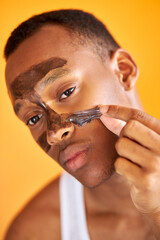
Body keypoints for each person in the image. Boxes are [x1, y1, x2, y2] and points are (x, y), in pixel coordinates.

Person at [4, 9, 160, 240]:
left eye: (66, 92)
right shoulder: (35, 232)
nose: (55, 133)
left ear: (124, 72)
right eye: (33, 118)